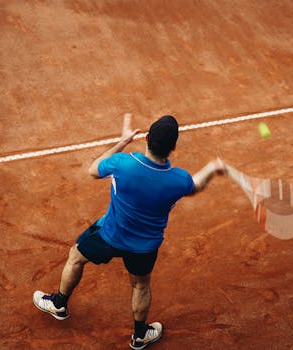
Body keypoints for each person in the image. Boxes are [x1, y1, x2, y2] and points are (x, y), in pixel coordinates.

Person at [33, 113, 225, 349]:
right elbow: (195, 186)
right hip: (144, 248)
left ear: (145, 138)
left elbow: (93, 170)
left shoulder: (123, 163)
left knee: (75, 257)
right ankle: (139, 336)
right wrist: (212, 168)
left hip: (108, 236)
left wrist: (122, 142)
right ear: (173, 147)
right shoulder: (179, 180)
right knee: (141, 286)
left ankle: (59, 304)